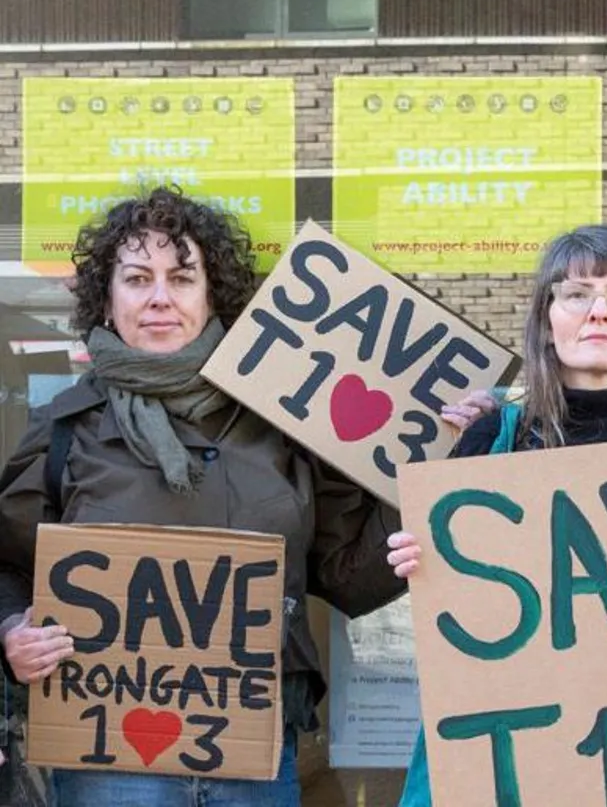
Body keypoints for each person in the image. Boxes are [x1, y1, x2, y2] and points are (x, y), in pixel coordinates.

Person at [0, 189, 408, 806]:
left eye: (182, 277)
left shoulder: (285, 424)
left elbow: (349, 576)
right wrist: (12, 633)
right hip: (108, 758)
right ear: (107, 301)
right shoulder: (64, 428)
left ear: (212, 294)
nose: (160, 297)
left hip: (258, 754)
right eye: (137, 278)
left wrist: (430, 485)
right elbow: (8, 563)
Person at [386, 225, 607, 806]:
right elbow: (467, 612)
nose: (599, 312)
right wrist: (425, 563)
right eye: (576, 294)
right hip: (525, 744)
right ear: (547, 323)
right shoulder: (498, 436)